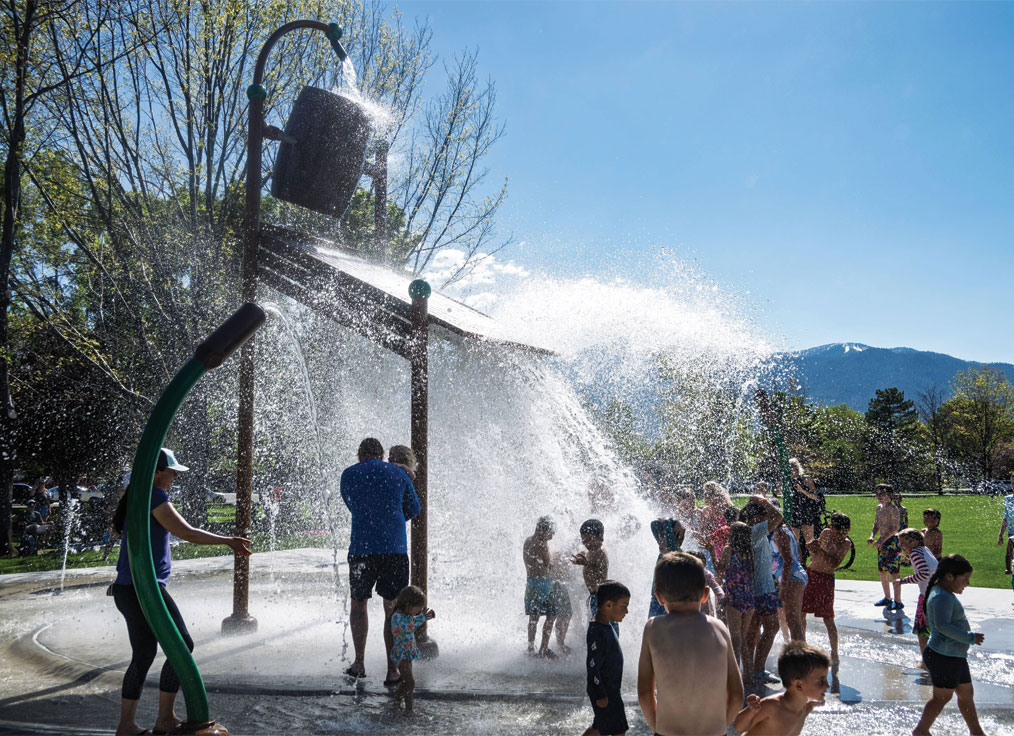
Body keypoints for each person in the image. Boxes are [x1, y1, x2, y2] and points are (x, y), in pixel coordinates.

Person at [109, 448, 250, 736]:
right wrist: (228, 541)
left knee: (143, 654)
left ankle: (127, 725)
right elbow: (186, 532)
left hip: (128, 589)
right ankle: (165, 718)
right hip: (145, 589)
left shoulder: (137, 496)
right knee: (182, 645)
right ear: (157, 472)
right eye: (172, 471)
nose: (175, 476)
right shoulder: (154, 496)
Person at [340, 437, 421, 684]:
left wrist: (369, 515)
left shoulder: (349, 474)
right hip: (394, 549)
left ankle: (359, 663)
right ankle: (392, 669)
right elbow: (414, 509)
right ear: (381, 453)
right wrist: (391, 518)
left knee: (358, 603)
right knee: (392, 610)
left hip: (362, 547)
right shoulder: (398, 474)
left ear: (360, 454)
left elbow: (351, 505)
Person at [637, 552, 743, 736]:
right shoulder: (719, 628)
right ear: (705, 594)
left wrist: (656, 727)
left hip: (669, 732)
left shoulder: (654, 628)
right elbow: (737, 696)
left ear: (659, 596)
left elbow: (645, 693)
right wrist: (721, 725)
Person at [913, 554, 986, 736]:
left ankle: (976, 732)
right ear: (949, 576)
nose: (967, 584)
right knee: (942, 698)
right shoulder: (941, 597)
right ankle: (921, 730)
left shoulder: (943, 593)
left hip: (953, 655)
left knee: (966, 694)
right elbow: (943, 627)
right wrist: (970, 637)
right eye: (965, 579)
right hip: (944, 656)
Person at [733, 642, 831, 736]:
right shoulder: (772, 707)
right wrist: (751, 711)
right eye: (821, 681)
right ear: (799, 685)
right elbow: (738, 728)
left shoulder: (804, 709)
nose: (828, 686)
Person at [801, 512, 851, 685]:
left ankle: (834, 652)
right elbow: (814, 553)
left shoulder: (846, 544)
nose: (839, 536)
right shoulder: (825, 533)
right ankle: (802, 644)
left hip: (826, 580)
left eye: (843, 532)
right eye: (837, 531)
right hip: (812, 574)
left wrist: (819, 551)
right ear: (831, 528)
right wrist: (812, 546)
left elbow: (834, 563)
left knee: (828, 618)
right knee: (801, 612)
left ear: (848, 530)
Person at [741, 497, 785, 686]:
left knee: (753, 631)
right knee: (772, 627)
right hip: (763, 589)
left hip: (755, 587)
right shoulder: (756, 531)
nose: (767, 517)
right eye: (763, 515)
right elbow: (778, 516)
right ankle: (756, 669)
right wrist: (763, 499)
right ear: (756, 518)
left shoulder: (748, 532)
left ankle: (750, 669)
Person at [583, 580, 631, 736]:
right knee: (619, 729)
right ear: (608, 605)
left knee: (599, 728)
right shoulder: (597, 631)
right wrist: (600, 693)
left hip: (610, 689)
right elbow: (592, 666)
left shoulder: (605, 625)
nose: (627, 611)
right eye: (623, 606)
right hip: (605, 691)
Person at [715, 521, 755, 686]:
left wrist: (711, 552)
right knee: (742, 638)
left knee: (735, 638)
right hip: (749, 598)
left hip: (734, 598)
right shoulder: (750, 551)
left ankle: (735, 677)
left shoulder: (728, 550)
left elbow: (719, 568)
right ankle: (748, 675)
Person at [388, 585, 435, 712]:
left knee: (406, 683)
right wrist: (423, 617)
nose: (419, 611)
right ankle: (402, 705)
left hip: (407, 654)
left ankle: (404, 706)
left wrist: (424, 617)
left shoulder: (407, 615)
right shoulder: (397, 616)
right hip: (401, 655)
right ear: (408, 605)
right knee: (410, 682)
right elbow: (408, 626)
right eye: (418, 609)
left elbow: (412, 621)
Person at [898, 528, 939, 665]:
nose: (902, 547)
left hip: (927, 596)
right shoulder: (924, 550)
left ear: (915, 542)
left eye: (904, 543)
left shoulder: (915, 553)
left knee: (922, 631)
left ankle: (925, 662)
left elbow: (923, 573)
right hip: (939, 594)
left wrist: (903, 580)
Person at [524, 516, 558, 658]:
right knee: (551, 615)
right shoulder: (542, 544)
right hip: (543, 585)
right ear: (541, 530)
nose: (552, 536)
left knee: (533, 618)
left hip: (531, 584)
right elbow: (548, 565)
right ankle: (544, 649)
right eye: (550, 532)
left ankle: (531, 648)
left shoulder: (527, 541)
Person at [572, 518, 613, 631]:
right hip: (596, 596)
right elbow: (592, 561)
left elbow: (599, 572)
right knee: (595, 628)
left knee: (602, 629)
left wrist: (585, 563)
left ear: (601, 535)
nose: (587, 544)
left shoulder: (600, 552)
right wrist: (583, 554)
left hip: (601, 598)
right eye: (584, 541)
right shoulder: (593, 550)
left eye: (589, 539)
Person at [771, 521, 808, 642]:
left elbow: (788, 561)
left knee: (793, 621)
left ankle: (799, 656)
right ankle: (799, 651)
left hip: (791, 578)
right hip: (796, 575)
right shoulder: (787, 528)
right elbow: (799, 553)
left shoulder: (779, 532)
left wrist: (783, 587)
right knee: (794, 621)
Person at [867, 483, 902, 610]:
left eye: (882, 494)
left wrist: (881, 540)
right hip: (882, 542)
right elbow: (876, 524)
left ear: (890, 495)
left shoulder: (893, 509)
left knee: (894, 572)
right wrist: (872, 536)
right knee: (882, 571)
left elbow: (895, 528)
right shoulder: (879, 508)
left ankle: (898, 601)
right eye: (877, 494)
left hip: (892, 542)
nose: (879, 497)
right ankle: (887, 598)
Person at [648, 517, 685, 618]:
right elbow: (653, 524)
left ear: (672, 539)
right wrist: (675, 521)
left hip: (669, 602)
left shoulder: (674, 552)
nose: (660, 541)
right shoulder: (663, 553)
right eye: (659, 538)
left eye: (663, 538)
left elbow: (665, 525)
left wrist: (672, 522)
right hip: (656, 599)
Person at [788, 459, 821, 547]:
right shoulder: (788, 481)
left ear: (797, 468)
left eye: (793, 469)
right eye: (789, 469)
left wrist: (802, 490)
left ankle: (815, 559)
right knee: (794, 543)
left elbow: (815, 497)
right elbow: (778, 493)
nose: (792, 471)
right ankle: (797, 560)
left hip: (806, 511)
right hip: (794, 512)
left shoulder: (806, 479)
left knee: (810, 542)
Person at [685, 549, 725, 617]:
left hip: (699, 612)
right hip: (699, 612)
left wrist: (722, 597)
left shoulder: (707, 575)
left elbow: (716, 588)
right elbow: (717, 588)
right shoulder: (684, 576)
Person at [998, 490, 1014, 577]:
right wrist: (1000, 535)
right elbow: (1005, 518)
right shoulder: (1008, 499)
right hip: (1011, 535)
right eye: (1012, 483)